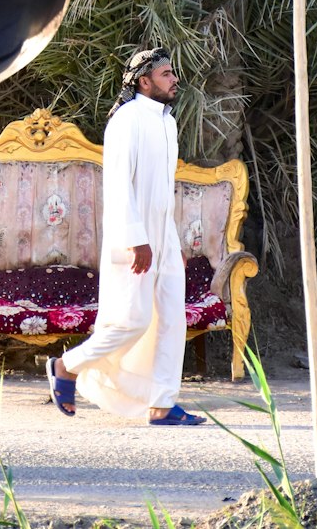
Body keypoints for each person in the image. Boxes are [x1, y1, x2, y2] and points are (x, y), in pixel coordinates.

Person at [46, 46, 203, 425]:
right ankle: (66, 366)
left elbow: (164, 191)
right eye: (166, 73)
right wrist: (138, 240)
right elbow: (118, 188)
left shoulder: (167, 122)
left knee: (171, 320)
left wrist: (173, 242)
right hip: (133, 238)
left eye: (172, 72)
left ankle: (162, 404)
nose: (174, 79)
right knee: (132, 320)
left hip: (163, 238)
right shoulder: (126, 120)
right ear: (143, 82)